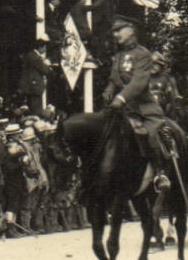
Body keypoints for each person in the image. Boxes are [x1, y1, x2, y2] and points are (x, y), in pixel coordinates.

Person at [61, 14, 174, 192]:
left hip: (143, 108)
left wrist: (121, 98)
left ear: (131, 31)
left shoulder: (144, 55)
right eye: (114, 31)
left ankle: (160, 173)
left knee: (152, 133)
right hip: (120, 108)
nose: (115, 34)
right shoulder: (119, 55)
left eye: (119, 30)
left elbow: (139, 82)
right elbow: (114, 79)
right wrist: (108, 91)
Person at [18, 33, 55, 115]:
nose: (45, 49)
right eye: (44, 47)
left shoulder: (32, 55)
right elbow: (45, 70)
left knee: (32, 108)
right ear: (40, 47)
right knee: (36, 110)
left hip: (31, 87)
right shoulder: (35, 57)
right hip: (34, 88)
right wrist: (49, 67)